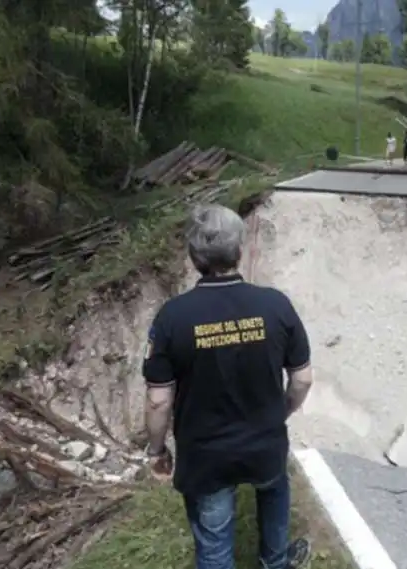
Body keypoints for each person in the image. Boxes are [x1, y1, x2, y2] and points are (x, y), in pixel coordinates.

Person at [143, 204, 315, 569]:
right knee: (273, 490)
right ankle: (275, 560)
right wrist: (279, 412)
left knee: (215, 540)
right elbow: (302, 378)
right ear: (239, 250)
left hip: (207, 456)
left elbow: (159, 401)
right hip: (264, 443)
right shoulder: (275, 305)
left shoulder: (173, 317)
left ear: (194, 256)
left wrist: (157, 451)